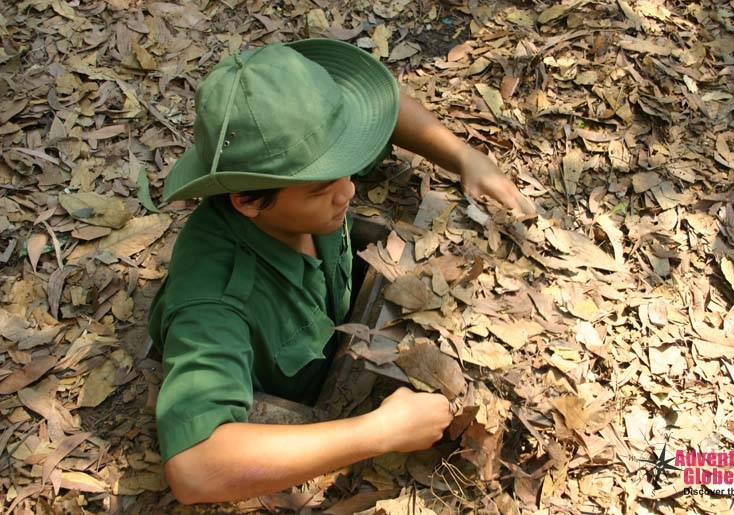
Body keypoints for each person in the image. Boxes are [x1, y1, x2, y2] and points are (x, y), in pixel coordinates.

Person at [148, 38, 534, 504]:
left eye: (348, 169)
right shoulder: (213, 300)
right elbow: (195, 469)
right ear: (247, 200)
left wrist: (462, 155)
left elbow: (382, 109)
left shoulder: (303, 179)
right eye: (322, 189)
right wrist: (378, 432)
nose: (348, 192)